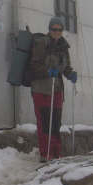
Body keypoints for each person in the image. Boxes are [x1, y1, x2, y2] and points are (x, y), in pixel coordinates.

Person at [27, 17, 77, 162]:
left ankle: (56, 153)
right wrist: (47, 72)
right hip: (41, 90)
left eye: (59, 29)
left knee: (55, 123)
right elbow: (34, 66)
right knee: (44, 123)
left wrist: (70, 74)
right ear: (49, 30)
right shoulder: (41, 43)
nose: (57, 32)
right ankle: (45, 153)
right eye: (54, 29)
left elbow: (66, 67)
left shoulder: (63, 46)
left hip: (56, 90)